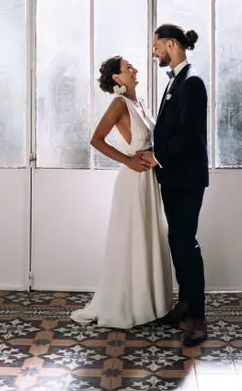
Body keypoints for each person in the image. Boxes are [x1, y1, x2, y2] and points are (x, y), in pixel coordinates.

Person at [70, 57, 173, 328]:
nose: (134, 70)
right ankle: (132, 304)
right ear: (117, 78)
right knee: (133, 238)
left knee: (149, 236)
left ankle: (153, 303)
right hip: (132, 182)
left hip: (150, 181)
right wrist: (127, 160)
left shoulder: (141, 103)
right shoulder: (119, 104)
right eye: (128, 68)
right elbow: (96, 139)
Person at [142, 24, 209, 347]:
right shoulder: (178, 81)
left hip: (186, 179)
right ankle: (184, 304)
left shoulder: (192, 82)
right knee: (177, 240)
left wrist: (158, 157)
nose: (153, 53)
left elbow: (188, 134)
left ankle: (198, 317)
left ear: (170, 45)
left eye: (156, 47)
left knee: (187, 242)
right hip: (173, 177)